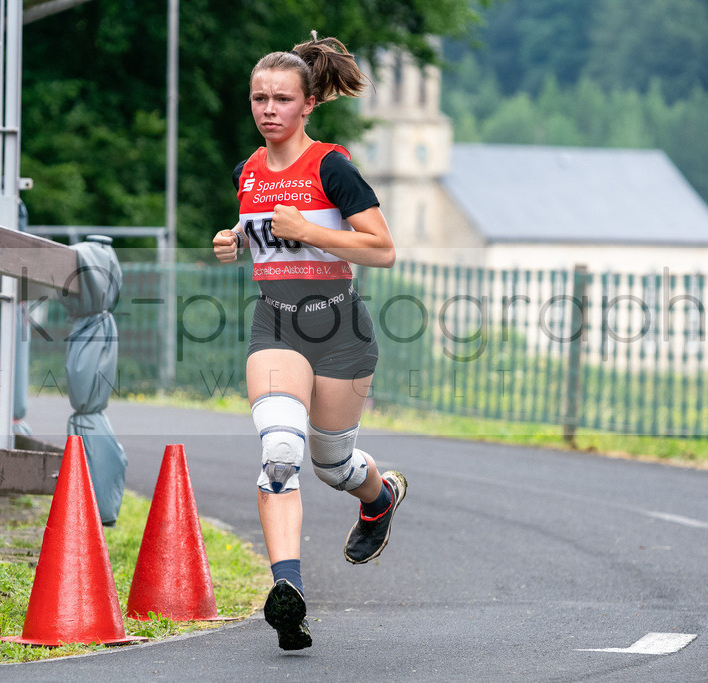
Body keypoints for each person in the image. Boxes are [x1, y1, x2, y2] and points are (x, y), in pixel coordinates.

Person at [212, 32, 407, 651]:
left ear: (308, 105)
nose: (268, 110)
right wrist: (234, 241)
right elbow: (266, 239)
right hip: (276, 326)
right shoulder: (248, 170)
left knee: (332, 464)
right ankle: (287, 591)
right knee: (278, 453)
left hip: (340, 332)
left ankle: (379, 496)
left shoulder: (330, 166)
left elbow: (384, 250)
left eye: (281, 99)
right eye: (258, 98)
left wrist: (310, 233)